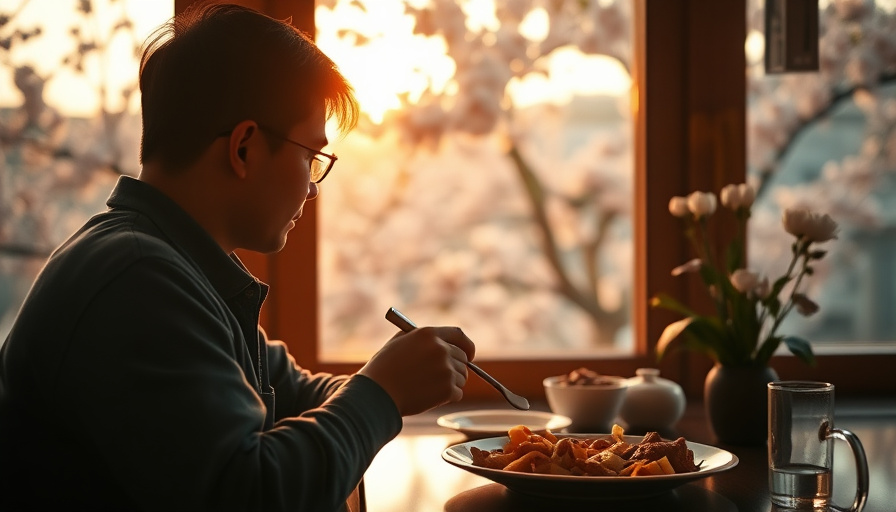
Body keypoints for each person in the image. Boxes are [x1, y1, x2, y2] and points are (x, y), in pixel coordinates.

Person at [0, 3, 475, 511]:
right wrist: (381, 393)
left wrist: (394, 380)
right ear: (245, 147)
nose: (313, 189)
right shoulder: (138, 279)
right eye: (310, 156)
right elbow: (250, 494)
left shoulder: (175, 264)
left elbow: (289, 391)